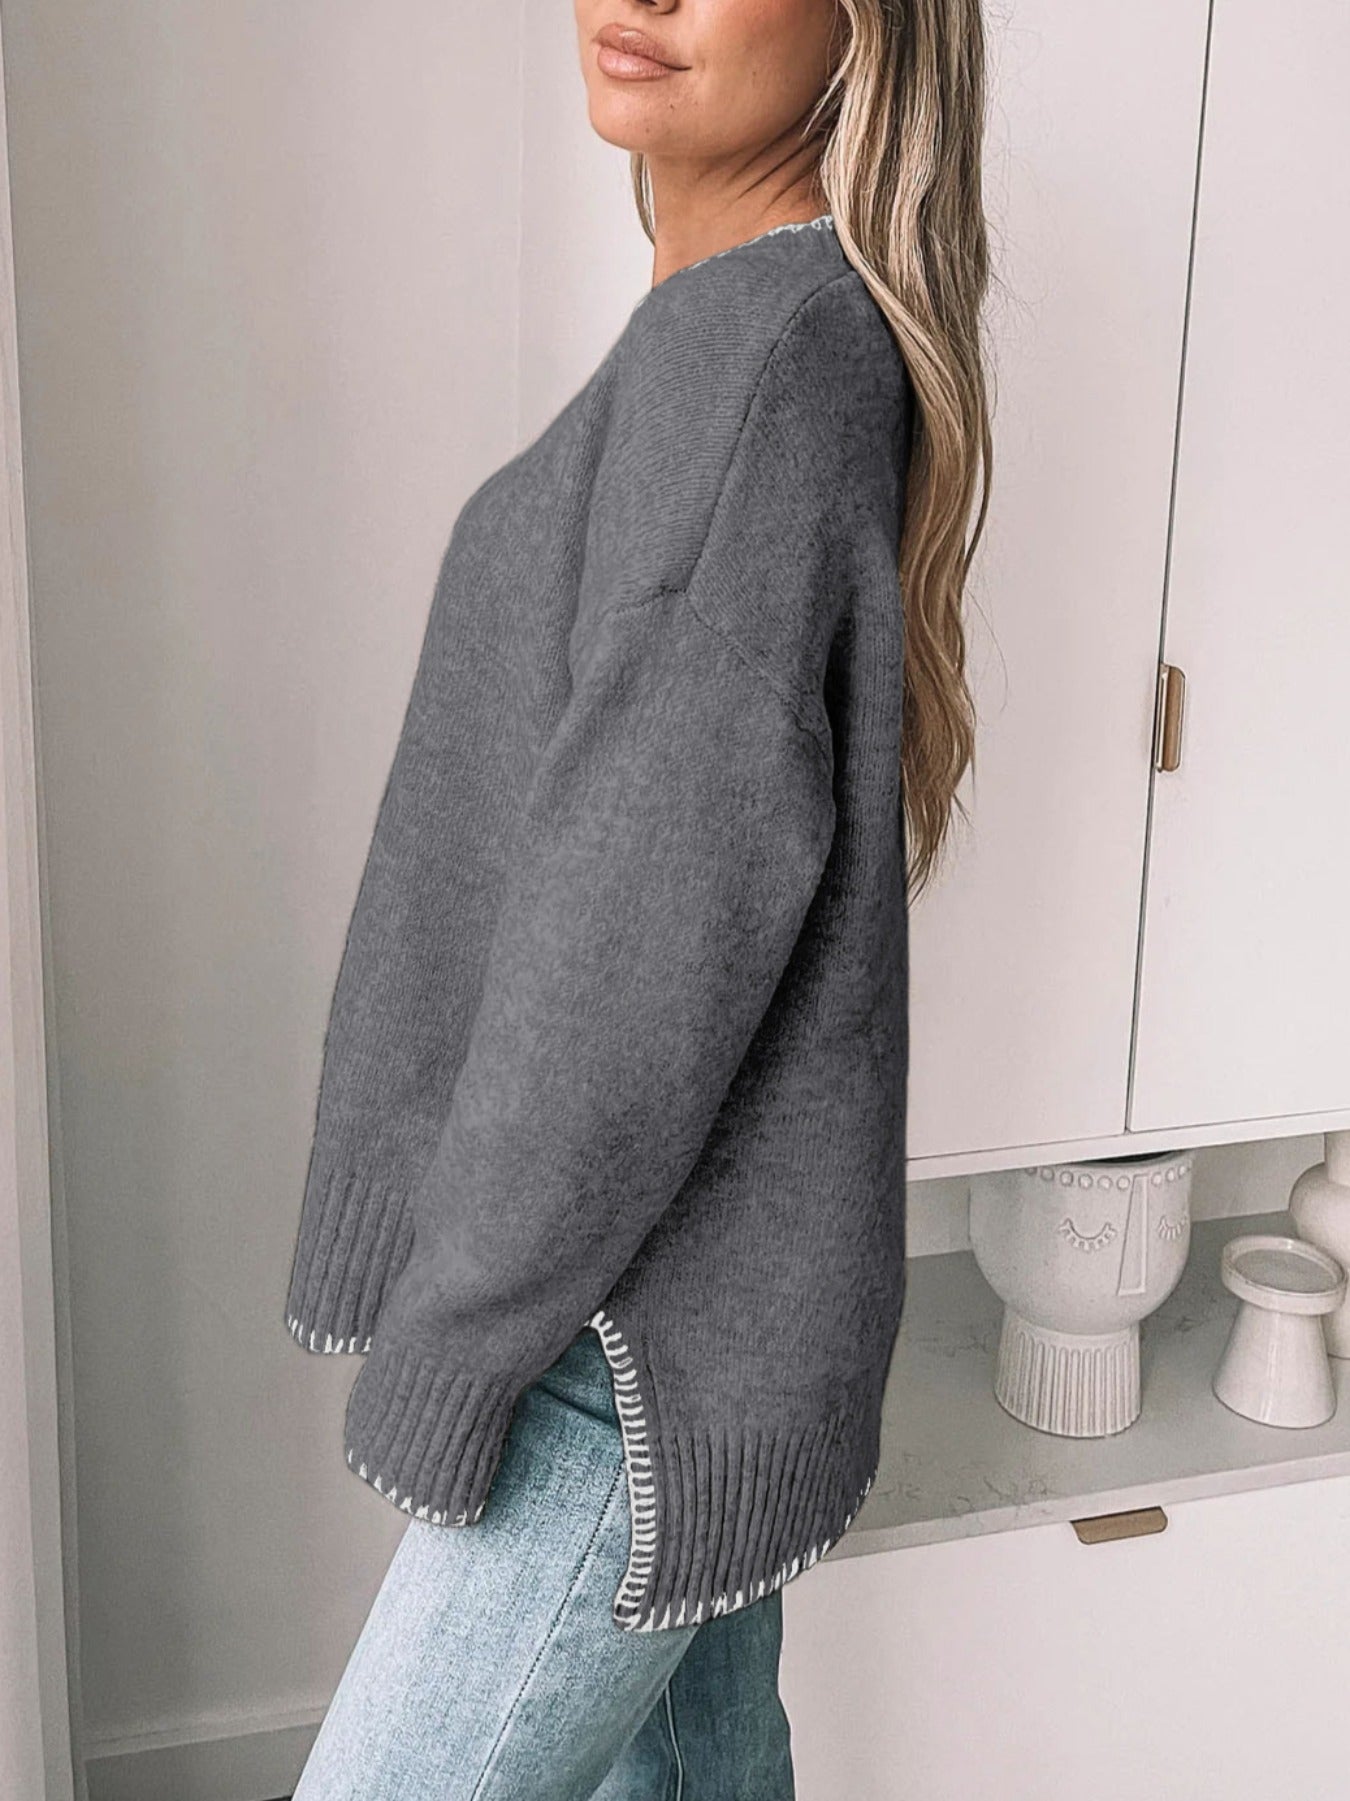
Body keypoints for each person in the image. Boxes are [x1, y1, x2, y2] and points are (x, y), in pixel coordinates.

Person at [285, 0, 989, 1794]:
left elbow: (634, 941)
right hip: (667, 1307)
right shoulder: (752, 325)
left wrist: (455, 1344)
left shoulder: (758, 368)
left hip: (617, 1346)